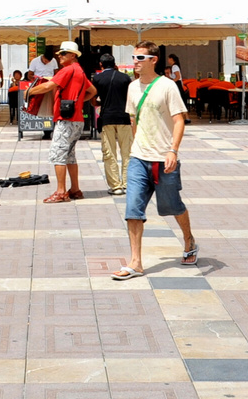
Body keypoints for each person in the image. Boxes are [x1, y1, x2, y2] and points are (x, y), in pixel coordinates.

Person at [112, 42, 196, 279]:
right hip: (139, 157)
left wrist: (173, 150)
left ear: (153, 59)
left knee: (173, 206)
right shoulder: (131, 87)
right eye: (133, 56)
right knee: (132, 210)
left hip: (163, 158)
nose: (135, 61)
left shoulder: (167, 86)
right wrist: (137, 144)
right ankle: (136, 262)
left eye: (140, 57)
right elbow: (133, 119)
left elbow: (179, 120)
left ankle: (189, 240)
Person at [25, 41, 96, 203]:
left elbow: (48, 86)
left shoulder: (68, 70)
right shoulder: (80, 71)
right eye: (60, 53)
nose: (59, 56)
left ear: (72, 55)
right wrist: (78, 103)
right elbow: (93, 91)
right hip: (77, 119)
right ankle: (75, 189)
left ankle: (61, 191)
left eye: (63, 53)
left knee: (58, 155)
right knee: (70, 155)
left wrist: (29, 92)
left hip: (66, 119)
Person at [92, 50, 133, 196]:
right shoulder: (125, 78)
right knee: (127, 152)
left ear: (101, 65)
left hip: (107, 118)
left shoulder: (98, 79)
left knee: (109, 153)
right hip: (124, 118)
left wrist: (99, 101)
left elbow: (93, 99)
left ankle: (115, 186)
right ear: (115, 64)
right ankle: (128, 184)